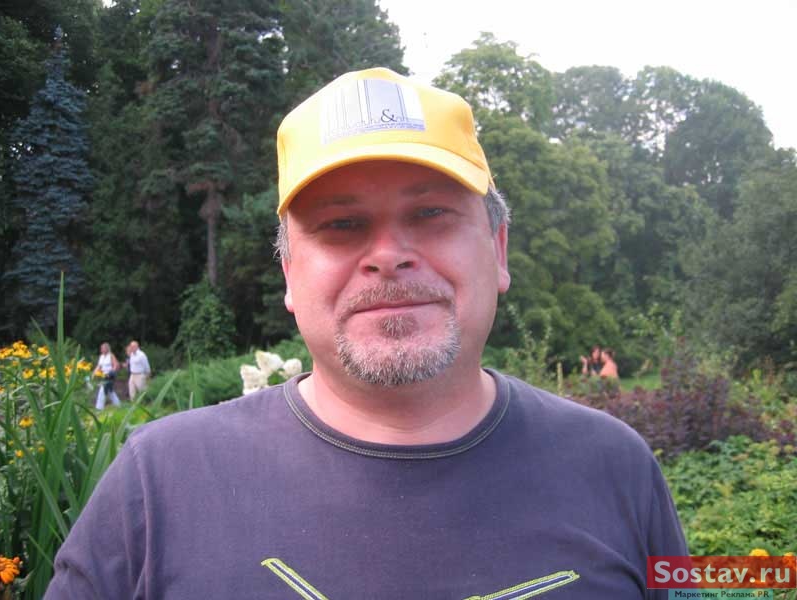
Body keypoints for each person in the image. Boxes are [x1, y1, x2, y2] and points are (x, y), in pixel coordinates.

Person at [46, 68, 686, 599]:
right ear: (290, 274)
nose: (388, 255)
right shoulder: (156, 484)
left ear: (497, 248)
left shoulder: (620, 467)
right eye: (341, 225)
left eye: (431, 213)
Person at [92, 342, 120, 410]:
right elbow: (99, 366)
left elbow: (116, 365)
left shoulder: (111, 356)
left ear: (107, 349)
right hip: (103, 376)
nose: (101, 350)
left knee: (102, 390)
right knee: (110, 391)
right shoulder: (101, 357)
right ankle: (118, 405)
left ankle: (99, 408)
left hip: (109, 376)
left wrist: (112, 371)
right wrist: (94, 372)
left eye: (103, 348)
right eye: (101, 348)